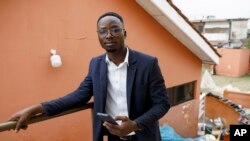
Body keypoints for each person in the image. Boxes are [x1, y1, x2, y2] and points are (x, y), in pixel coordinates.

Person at [8, 12, 170, 141]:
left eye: (115, 29)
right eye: (103, 31)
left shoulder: (148, 63)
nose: (109, 35)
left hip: (142, 136)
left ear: (124, 33)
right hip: (112, 136)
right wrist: (36, 109)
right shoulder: (96, 64)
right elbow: (79, 96)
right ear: (98, 35)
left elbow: (162, 104)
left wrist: (134, 125)